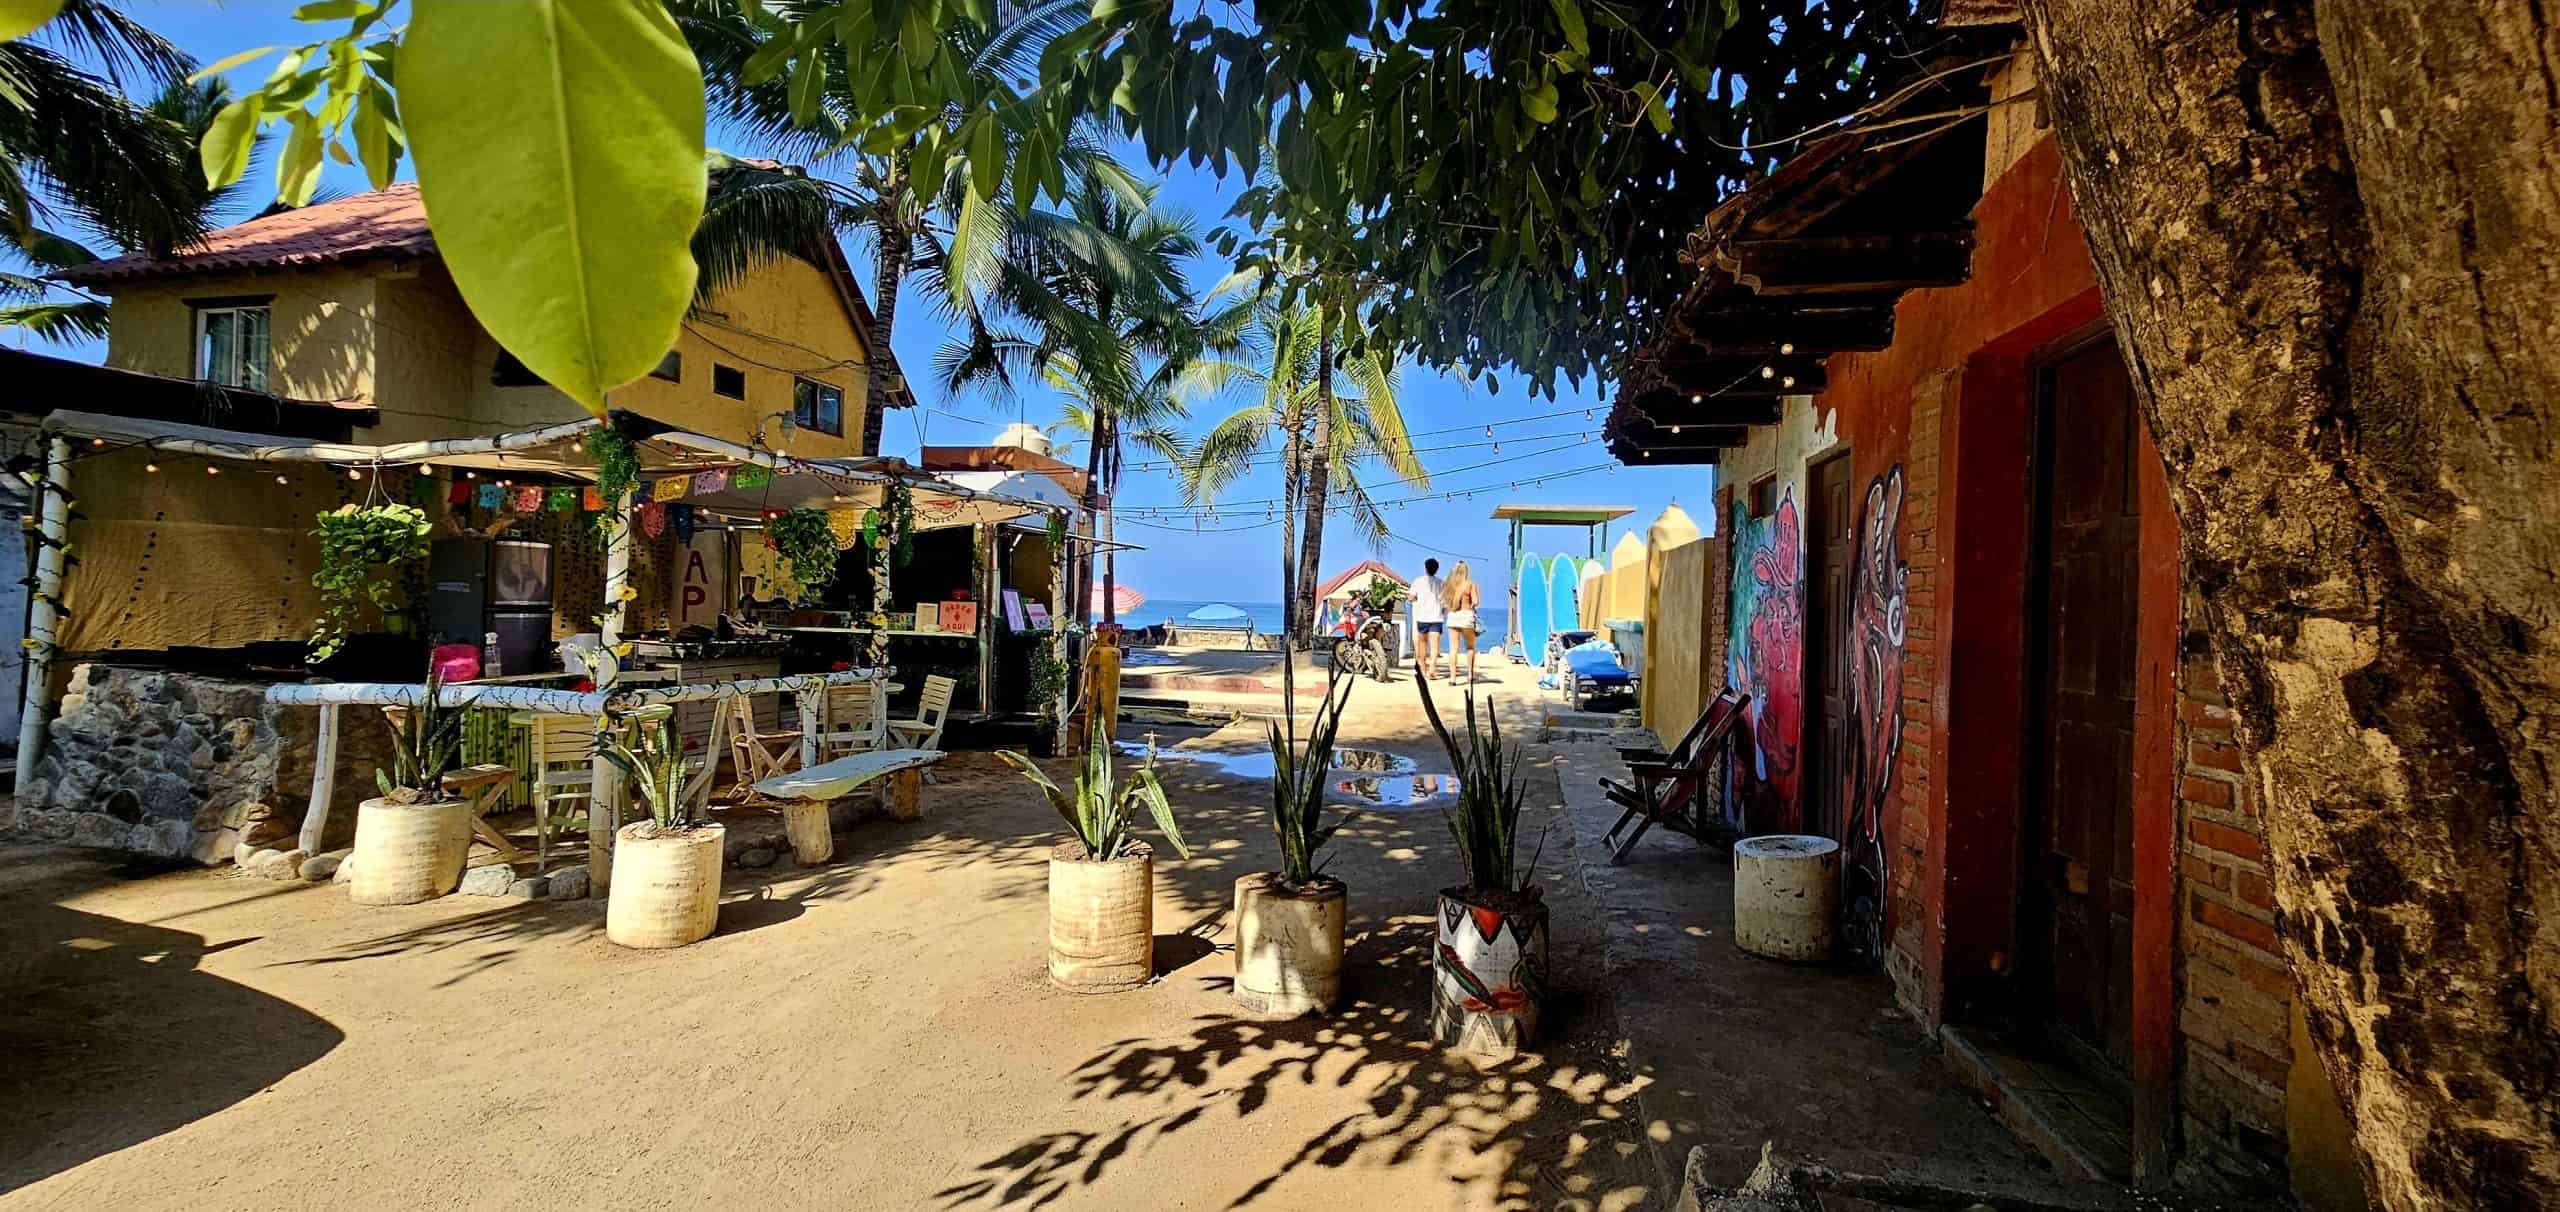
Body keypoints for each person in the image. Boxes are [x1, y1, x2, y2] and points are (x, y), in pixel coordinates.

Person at [1443, 561, 1482, 684]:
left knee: (1453, 648)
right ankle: (1470, 674)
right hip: (1466, 616)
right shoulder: (1470, 584)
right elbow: (1476, 601)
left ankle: (1452, 678)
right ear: (1466, 571)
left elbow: (1445, 601)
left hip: (1453, 616)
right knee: (1470, 647)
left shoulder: (1449, 585)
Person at [1409, 559, 1445, 681]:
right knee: (1435, 646)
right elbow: (1445, 602)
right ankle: (1432, 669)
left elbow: (1411, 597)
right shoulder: (1441, 583)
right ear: (1437, 569)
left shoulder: (1418, 581)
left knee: (1422, 645)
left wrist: (1416, 599)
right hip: (1437, 618)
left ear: (1425, 568)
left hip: (1422, 617)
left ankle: (1423, 669)